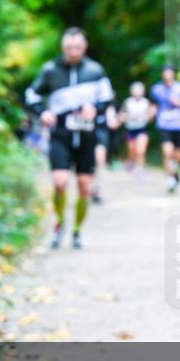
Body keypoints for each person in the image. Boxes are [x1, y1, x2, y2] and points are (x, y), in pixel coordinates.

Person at [25, 27, 114, 250]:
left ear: (84, 47)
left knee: (84, 186)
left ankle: (76, 231)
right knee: (60, 182)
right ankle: (59, 224)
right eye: (68, 47)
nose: (73, 51)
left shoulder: (95, 70)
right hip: (60, 135)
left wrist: (95, 108)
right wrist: (42, 112)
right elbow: (31, 95)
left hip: (87, 136)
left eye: (77, 47)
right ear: (63, 48)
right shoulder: (50, 70)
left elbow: (107, 99)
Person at [150, 63, 180, 193]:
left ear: (173, 74)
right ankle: (169, 179)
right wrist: (151, 113)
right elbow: (153, 105)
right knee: (167, 152)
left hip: (179, 125)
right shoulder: (156, 89)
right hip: (164, 125)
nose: (167, 75)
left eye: (169, 72)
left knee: (177, 155)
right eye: (164, 72)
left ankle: (175, 170)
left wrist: (178, 102)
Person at [119, 81, 155, 177]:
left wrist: (149, 116)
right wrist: (125, 117)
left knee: (141, 150)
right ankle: (132, 163)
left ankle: (140, 169)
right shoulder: (127, 102)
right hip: (130, 129)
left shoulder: (146, 102)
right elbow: (121, 115)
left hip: (142, 129)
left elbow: (151, 116)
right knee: (132, 150)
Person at [90, 102, 118, 205]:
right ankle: (87, 188)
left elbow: (110, 110)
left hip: (101, 131)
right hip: (84, 132)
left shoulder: (104, 94)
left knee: (99, 160)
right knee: (89, 163)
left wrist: (112, 119)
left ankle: (97, 190)